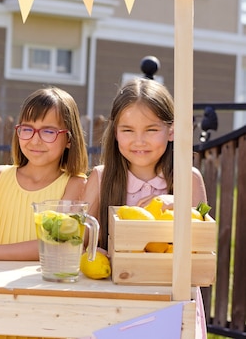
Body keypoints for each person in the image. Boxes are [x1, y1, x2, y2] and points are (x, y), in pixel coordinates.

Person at [82, 77, 207, 339]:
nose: (139, 141)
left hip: (172, 307)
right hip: (111, 307)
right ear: (115, 132)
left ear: (171, 131)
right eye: (127, 130)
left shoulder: (188, 179)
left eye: (151, 130)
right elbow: (81, 242)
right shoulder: (101, 178)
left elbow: (202, 248)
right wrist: (99, 252)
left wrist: (182, 209)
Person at [0, 87, 89, 262]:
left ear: (69, 139)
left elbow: (54, 243)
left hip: (37, 286)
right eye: (28, 129)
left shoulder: (76, 185)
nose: (35, 140)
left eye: (48, 131)